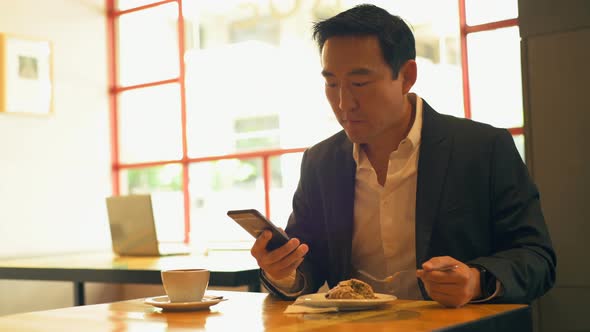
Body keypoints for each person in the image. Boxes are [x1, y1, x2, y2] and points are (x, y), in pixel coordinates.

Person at [250, 4, 556, 307]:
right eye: (331, 84)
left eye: (359, 83)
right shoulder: (321, 162)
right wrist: (282, 270)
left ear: (407, 76)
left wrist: (477, 280)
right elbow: (306, 264)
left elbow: (536, 257)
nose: (344, 103)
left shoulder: (483, 148)